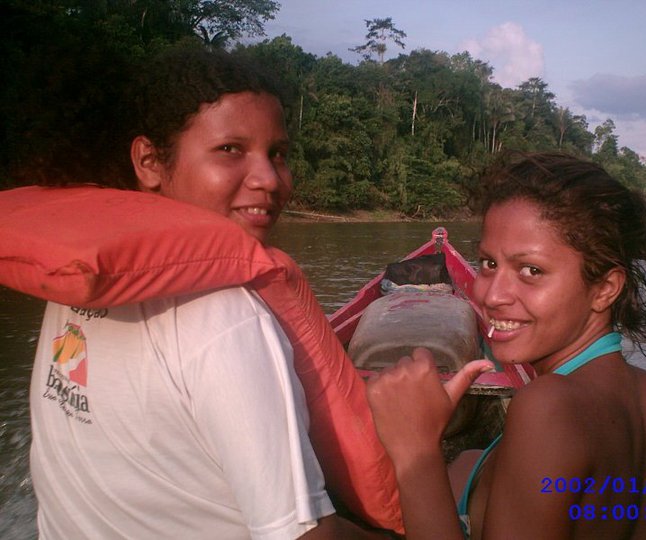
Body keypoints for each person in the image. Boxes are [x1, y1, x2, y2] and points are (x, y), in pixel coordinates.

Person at [29, 44, 390, 539]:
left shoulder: (79, 280)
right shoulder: (229, 317)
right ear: (149, 161)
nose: (269, 180)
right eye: (230, 150)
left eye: (278, 154)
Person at [366, 152, 646, 539]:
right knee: (469, 460)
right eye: (489, 263)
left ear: (605, 289)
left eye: (531, 271)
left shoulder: (548, 406)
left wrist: (416, 450)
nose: (491, 295)